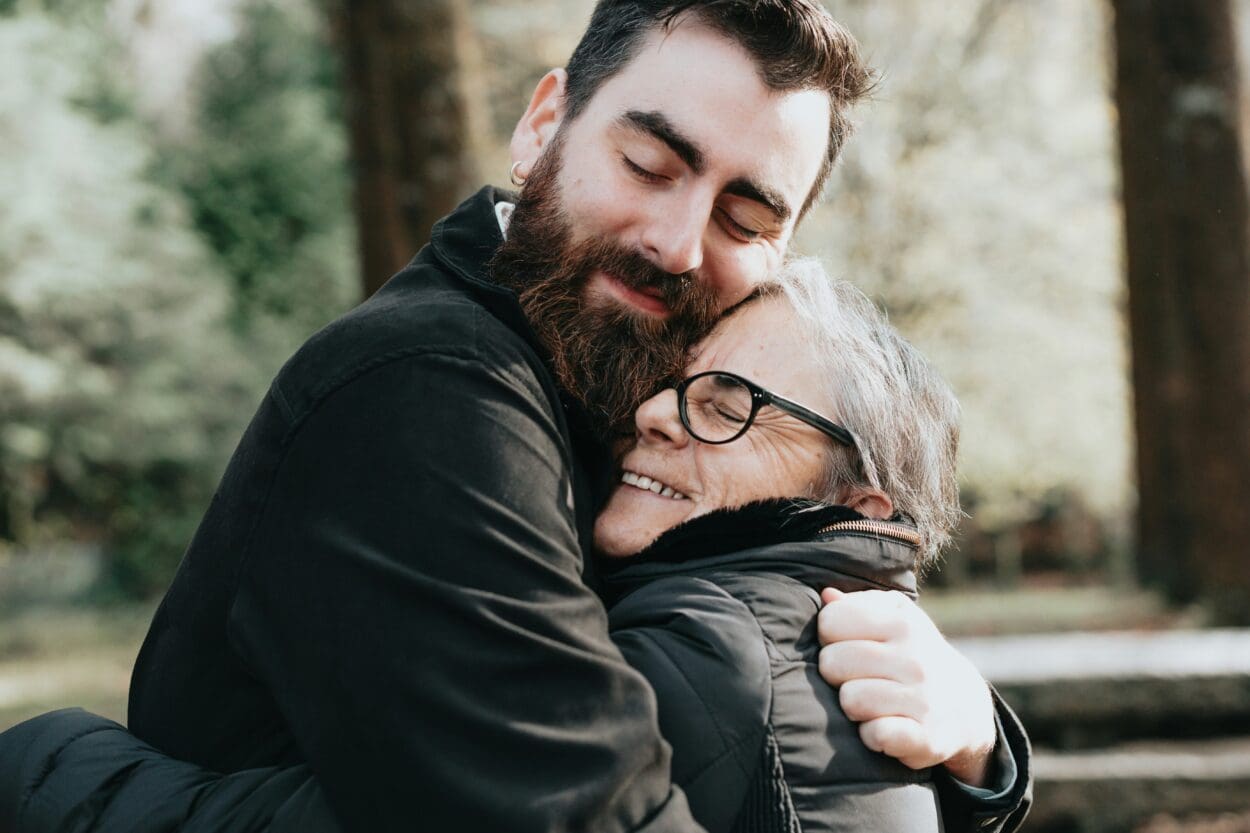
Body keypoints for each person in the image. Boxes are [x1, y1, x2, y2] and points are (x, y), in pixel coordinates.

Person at [0, 2, 1031, 830]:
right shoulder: (427, 392)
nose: (677, 242)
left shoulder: (612, 388)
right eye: (648, 164)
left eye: (743, 216)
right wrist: (54, 774)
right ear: (542, 125)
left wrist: (978, 746)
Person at [0, 265, 1030, 833]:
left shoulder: (700, 664)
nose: (661, 416)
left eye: (728, 407)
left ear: (852, 498)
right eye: (674, 382)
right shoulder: (821, 652)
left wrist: (41, 758)